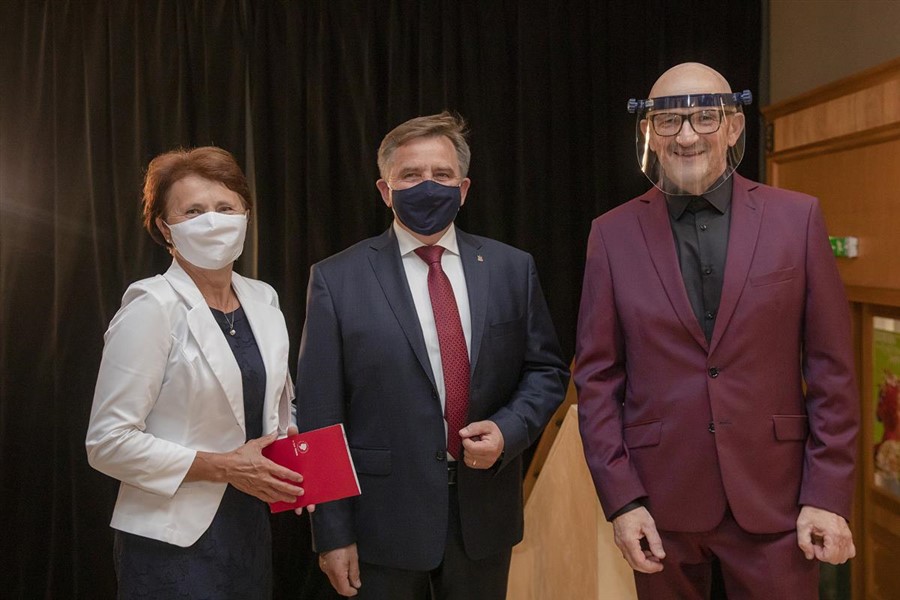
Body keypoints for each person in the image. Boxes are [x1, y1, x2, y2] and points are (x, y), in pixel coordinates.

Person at [574, 63, 859, 599]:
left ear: (733, 127)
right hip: (660, 504)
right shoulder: (611, 235)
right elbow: (597, 380)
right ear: (649, 132)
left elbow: (832, 370)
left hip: (779, 499)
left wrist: (826, 493)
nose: (687, 136)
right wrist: (622, 500)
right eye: (669, 121)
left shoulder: (797, 219)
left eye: (705, 117)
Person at [295, 111, 568, 599]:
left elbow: (546, 371)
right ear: (385, 190)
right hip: (379, 522)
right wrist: (332, 533)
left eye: (441, 175)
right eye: (411, 175)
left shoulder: (512, 268)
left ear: (463, 189)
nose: (428, 186)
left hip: (484, 517)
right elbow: (318, 414)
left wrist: (508, 429)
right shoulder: (336, 279)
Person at [86, 146, 309, 598]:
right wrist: (225, 467)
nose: (212, 221)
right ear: (165, 228)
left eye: (225, 208)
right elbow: (107, 443)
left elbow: (276, 410)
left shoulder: (263, 299)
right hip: (169, 539)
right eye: (193, 211)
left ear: (245, 216)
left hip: (249, 528)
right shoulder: (151, 306)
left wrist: (297, 454)